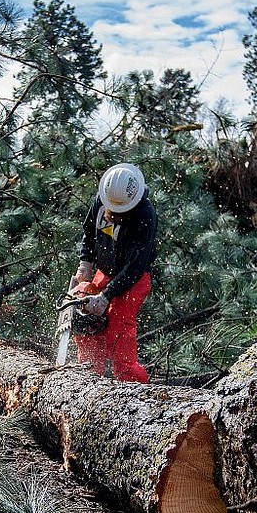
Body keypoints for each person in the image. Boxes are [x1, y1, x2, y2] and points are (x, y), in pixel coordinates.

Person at [73, 162, 157, 383]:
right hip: (103, 270)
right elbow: (89, 231)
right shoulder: (103, 198)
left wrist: (106, 296)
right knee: (86, 317)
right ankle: (87, 374)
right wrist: (85, 264)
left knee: (118, 330)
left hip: (132, 279)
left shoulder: (144, 215)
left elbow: (136, 266)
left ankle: (132, 387)